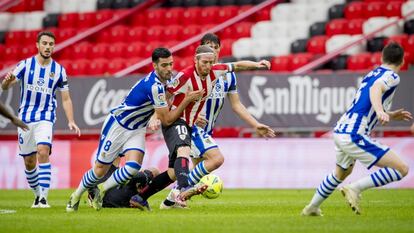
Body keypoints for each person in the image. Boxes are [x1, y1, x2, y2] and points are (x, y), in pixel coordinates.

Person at [130, 44, 272, 209]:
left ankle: (140, 198)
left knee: (173, 172)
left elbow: (238, 65)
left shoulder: (216, 71)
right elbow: (164, 96)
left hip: (190, 124)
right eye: (205, 62)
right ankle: (184, 189)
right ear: (195, 60)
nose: (208, 66)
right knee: (184, 150)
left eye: (211, 62)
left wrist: (257, 65)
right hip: (176, 121)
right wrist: (156, 116)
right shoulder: (184, 76)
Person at [66, 47, 204, 212]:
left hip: (137, 128)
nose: (169, 69)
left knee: (133, 166)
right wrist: (186, 101)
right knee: (99, 170)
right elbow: (166, 118)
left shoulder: (167, 81)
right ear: (155, 66)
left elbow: (165, 102)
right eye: (165, 65)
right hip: (118, 125)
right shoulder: (154, 86)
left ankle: (101, 191)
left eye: (171, 64)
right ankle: (76, 195)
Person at [302, 42, 412, 216]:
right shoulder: (392, 76)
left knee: (341, 172)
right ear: (403, 61)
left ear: (382, 57)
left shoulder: (372, 73)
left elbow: (365, 103)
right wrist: (380, 110)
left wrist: (388, 114)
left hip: (341, 130)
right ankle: (355, 188)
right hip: (354, 132)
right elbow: (376, 90)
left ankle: (312, 207)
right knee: (402, 169)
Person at [1, 31, 81, 208]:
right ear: (37, 45)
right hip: (25, 119)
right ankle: (37, 195)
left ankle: (44, 198)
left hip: (45, 117)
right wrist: (6, 81)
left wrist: (71, 120)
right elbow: (5, 86)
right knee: (29, 162)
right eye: (44, 43)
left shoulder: (59, 70)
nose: (48, 47)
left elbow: (66, 98)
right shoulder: (25, 65)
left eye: (51, 44)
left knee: (43, 151)